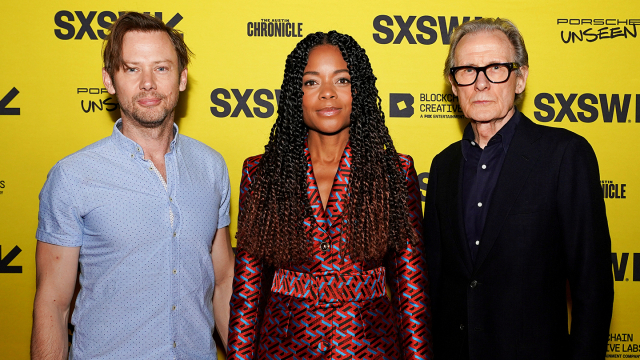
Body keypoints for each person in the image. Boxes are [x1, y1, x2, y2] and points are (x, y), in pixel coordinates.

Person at [31, 12, 234, 359]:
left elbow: (223, 280)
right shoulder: (73, 176)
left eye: (161, 68)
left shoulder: (211, 167)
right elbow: (53, 306)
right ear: (110, 80)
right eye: (132, 68)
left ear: (182, 78)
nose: (148, 83)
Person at [227, 31, 431, 360]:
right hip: (283, 350)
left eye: (342, 80)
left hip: (371, 350)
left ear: (358, 91)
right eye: (311, 82)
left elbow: (412, 293)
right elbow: (247, 295)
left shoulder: (394, 171)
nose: (326, 93)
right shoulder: (261, 173)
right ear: (297, 95)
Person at [423, 18, 613, 360]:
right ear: (453, 84)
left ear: (520, 78)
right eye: (466, 70)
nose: (480, 83)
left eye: (496, 68)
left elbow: (593, 288)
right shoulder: (443, 165)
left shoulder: (565, 155)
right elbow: (435, 282)